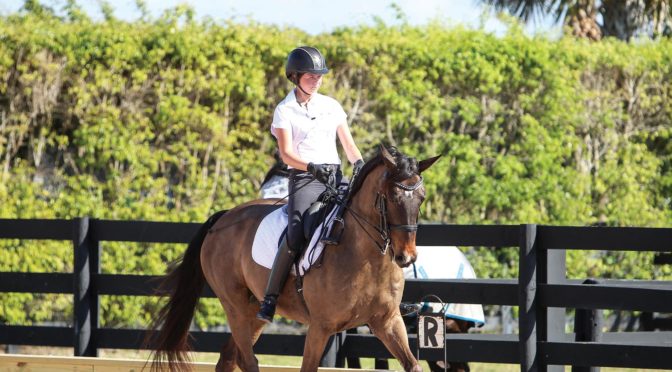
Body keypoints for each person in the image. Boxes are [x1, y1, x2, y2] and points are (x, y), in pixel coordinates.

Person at [256, 46, 364, 323]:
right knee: (296, 234)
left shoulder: (331, 106)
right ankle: (270, 297)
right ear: (295, 77)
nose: (316, 81)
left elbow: (348, 144)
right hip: (305, 179)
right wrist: (310, 166)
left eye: (319, 76)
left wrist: (359, 162)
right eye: (310, 77)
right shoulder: (285, 110)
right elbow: (286, 154)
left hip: (334, 175)